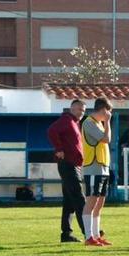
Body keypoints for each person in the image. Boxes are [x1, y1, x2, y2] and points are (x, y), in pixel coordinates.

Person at [47, 99, 87, 243]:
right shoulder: (66, 120)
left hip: (73, 165)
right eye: (78, 110)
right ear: (71, 109)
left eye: (83, 111)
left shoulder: (75, 123)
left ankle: (66, 234)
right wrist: (59, 149)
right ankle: (88, 231)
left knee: (69, 201)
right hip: (68, 164)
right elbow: (51, 131)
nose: (81, 113)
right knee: (79, 198)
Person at [81, 98, 113, 247]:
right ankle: (89, 237)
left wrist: (105, 123)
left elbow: (107, 140)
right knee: (91, 201)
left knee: (99, 203)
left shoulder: (99, 123)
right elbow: (106, 139)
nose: (109, 114)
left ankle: (96, 235)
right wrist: (107, 123)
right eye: (108, 111)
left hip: (102, 167)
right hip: (92, 166)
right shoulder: (88, 123)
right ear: (102, 109)